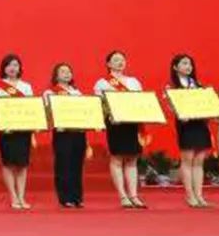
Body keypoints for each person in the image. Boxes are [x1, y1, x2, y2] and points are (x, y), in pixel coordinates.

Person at [94, 50, 146, 209]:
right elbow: (100, 105)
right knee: (117, 159)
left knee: (132, 159)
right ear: (108, 64)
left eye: (122, 59)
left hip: (131, 123)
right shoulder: (102, 83)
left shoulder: (133, 82)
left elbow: (141, 101)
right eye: (116, 60)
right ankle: (123, 196)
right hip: (115, 124)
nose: (120, 62)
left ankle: (134, 196)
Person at [0, 54, 35, 210]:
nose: (12, 68)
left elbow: (30, 109)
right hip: (7, 130)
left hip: (23, 130)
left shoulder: (26, 87)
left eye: (15, 65)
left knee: (22, 165)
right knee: (8, 163)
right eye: (9, 65)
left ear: (20, 68)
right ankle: (13, 196)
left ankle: (22, 196)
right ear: (4, 68)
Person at [169, 54, 213, 208]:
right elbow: (171, 107)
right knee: (187, 160)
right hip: (186, 125)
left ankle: (199, 195)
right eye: (184, 63)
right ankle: (190, 195)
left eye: (190, 64)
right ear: (175, 67)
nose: (188, 67)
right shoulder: (173, 87)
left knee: (199, 161)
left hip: (200, 124)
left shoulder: (198, 84)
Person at [45, 63, 87, 208]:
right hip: (62, 133)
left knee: (77, 165)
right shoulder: (50, 92)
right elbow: (48, 112)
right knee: (63, 165)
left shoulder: (77, 92)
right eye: (63, 71)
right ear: (56, 76)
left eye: (69, 71)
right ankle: (65, 197)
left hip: (78, 132)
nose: (67, 74)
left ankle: (77, 197)